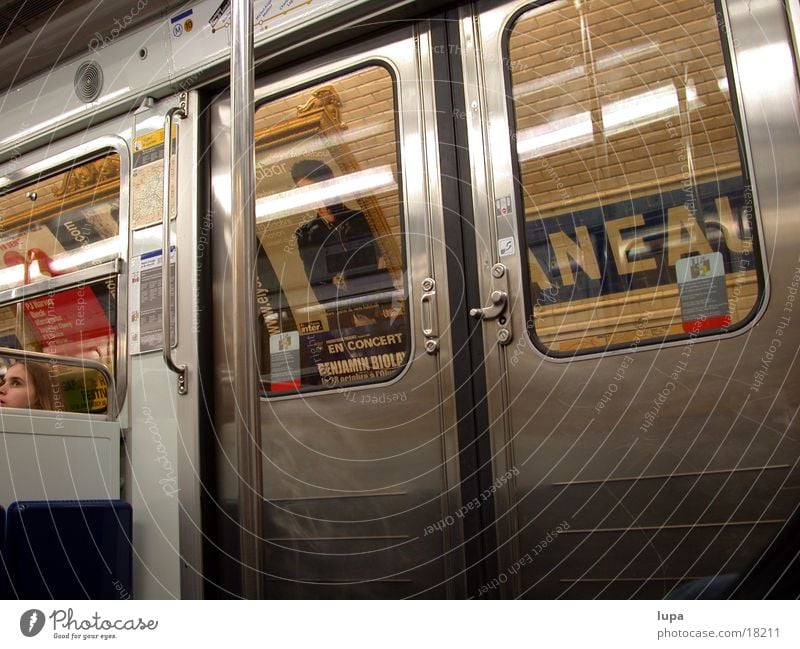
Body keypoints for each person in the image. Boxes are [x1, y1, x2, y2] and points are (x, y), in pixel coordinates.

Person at [293, 159, 391, 307]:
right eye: (304, 192)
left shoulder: (364, 219)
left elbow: (386, 267)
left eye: (315, 189)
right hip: (346, 311)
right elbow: (320, 289)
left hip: (384, 302)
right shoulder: (306, 236)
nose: (313, 197)